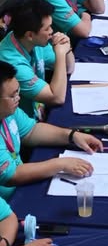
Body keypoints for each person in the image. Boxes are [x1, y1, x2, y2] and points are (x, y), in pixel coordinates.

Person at [0, 61, 101, 205]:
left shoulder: (8, 111)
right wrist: (59, 165)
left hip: (20, 187)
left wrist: (72, 136)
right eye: (12, 95)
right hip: (8, 203)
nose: (18, 97)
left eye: (18, 91)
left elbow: (31, 131)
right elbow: (12, 175)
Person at [0, 1, 74, 118]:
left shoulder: (31, 40)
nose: (51, 31)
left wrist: (66, 49)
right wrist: (60, 54)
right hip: (26, 123)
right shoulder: (13, 63)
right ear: (30, 35)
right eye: (47, 28)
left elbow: (68, 68)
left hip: (40, 109)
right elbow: (57, 98)